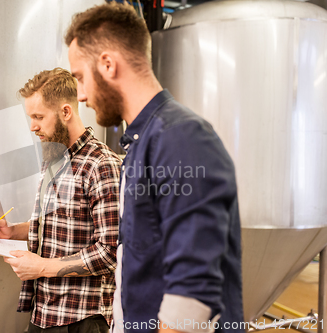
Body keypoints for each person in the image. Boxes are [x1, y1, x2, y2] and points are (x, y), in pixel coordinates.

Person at [65, 3, 244, 333]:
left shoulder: (180, 138)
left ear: (107, 64)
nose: (80, 95)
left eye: (79, 77)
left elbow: (193, 293)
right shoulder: (141, 143)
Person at [0, 68, 121, 333]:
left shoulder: (101, 165)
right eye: (30, 117)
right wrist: (13, 231)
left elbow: (110, 253)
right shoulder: (54, 158)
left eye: (38, 117)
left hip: (82, 321)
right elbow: (57, 224)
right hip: (43, 314)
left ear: (66, 112)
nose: (32, 126)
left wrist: (41, 267)